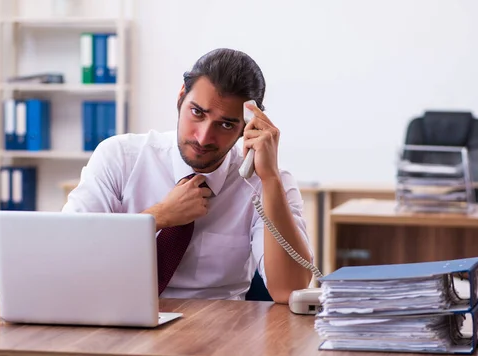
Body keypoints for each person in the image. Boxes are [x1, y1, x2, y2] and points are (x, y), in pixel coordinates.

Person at [62, 48, 313, 303]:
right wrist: (159, 216)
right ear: (181, 97)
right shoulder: (119, 157)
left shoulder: (267, 183)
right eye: (198, 113)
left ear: (247, 127)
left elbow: (288, 290)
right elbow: (70, 252)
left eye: (226, 125)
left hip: (219, 331)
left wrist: (269, 179)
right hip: (118, 316)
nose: (204, 137)